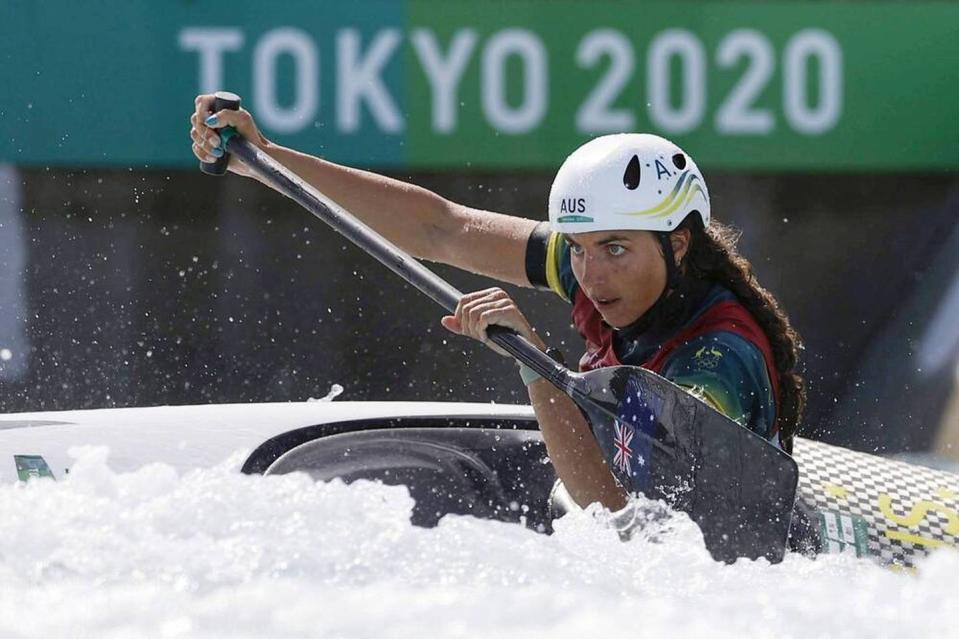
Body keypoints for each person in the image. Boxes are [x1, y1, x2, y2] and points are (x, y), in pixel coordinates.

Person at [190, 95, 806, 512]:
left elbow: (617, 520)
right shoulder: (606, 267)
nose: (590, 275)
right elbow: (442, 228)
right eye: (580, 250)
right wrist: (268, 161)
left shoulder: (717, 364)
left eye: (613, 249)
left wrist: (535, 364)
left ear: (677, 244)